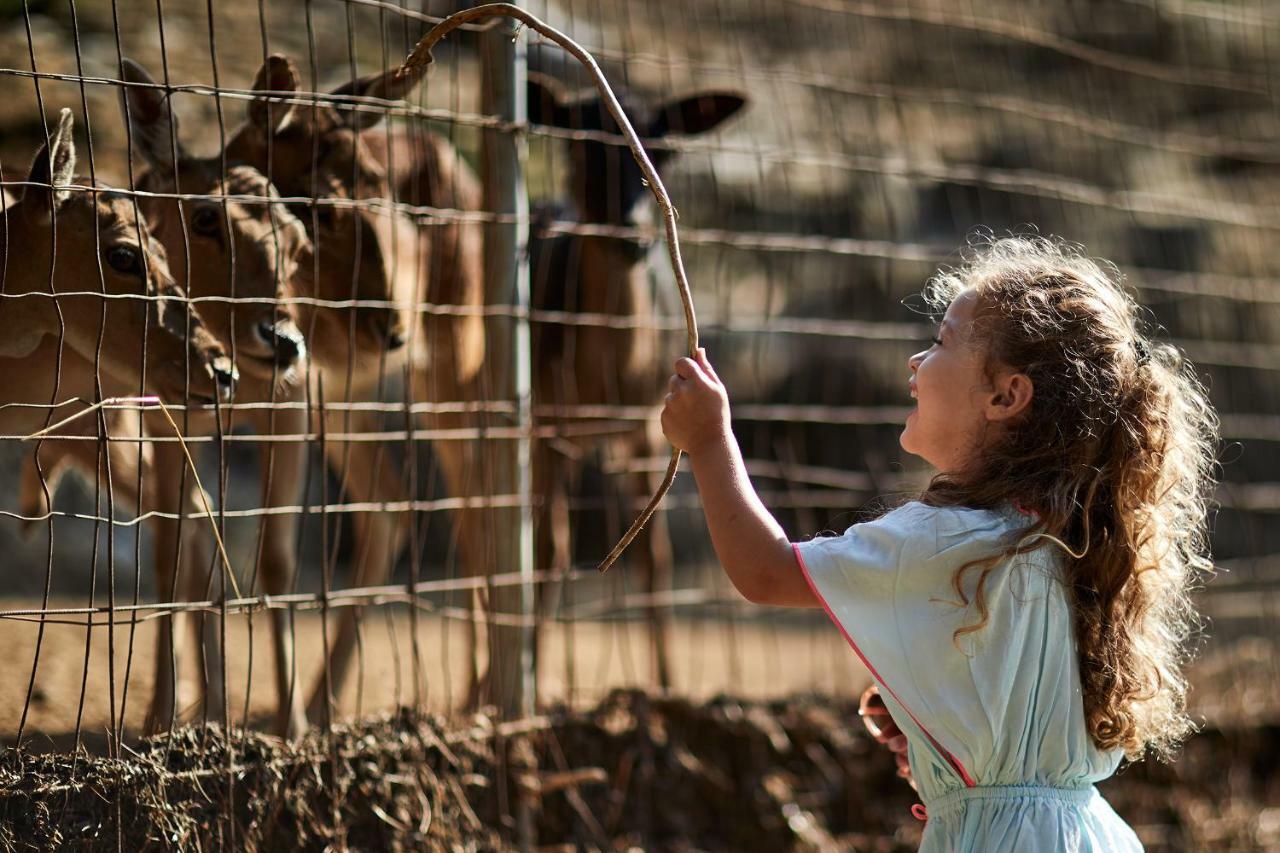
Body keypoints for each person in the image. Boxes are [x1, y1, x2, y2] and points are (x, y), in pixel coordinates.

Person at [660, 235, 1218, 851]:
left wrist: (710, 442)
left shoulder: (944, 540)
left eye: (941, 342)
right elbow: (1009, 710)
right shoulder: (1064, 542)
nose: (915, 361)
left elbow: (765, 572)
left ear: (1005, 397)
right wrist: (937, 735)